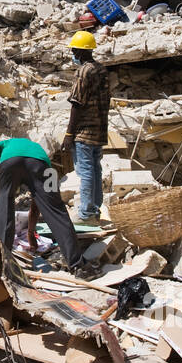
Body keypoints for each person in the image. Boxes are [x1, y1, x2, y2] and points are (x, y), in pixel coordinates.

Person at [0, 137, 81, 266]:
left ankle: (1, 261)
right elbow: (37, 205)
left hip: (10, 163)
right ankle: (77, 265)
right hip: (41, 164)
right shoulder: (36, 148)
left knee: (5, 203)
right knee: (55, 210)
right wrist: (30, 232)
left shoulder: (6, 144)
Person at [62, 29, 110, 223]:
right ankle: (95, 209)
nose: (73, 54)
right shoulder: (102, 70)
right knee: (96, 170)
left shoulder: (84, 71)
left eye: (74, 50)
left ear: (81, 51)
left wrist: (69, 133)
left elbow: (76, 103)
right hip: (99, 129)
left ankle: (86, 213)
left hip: (84, 131)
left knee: (86, 171)